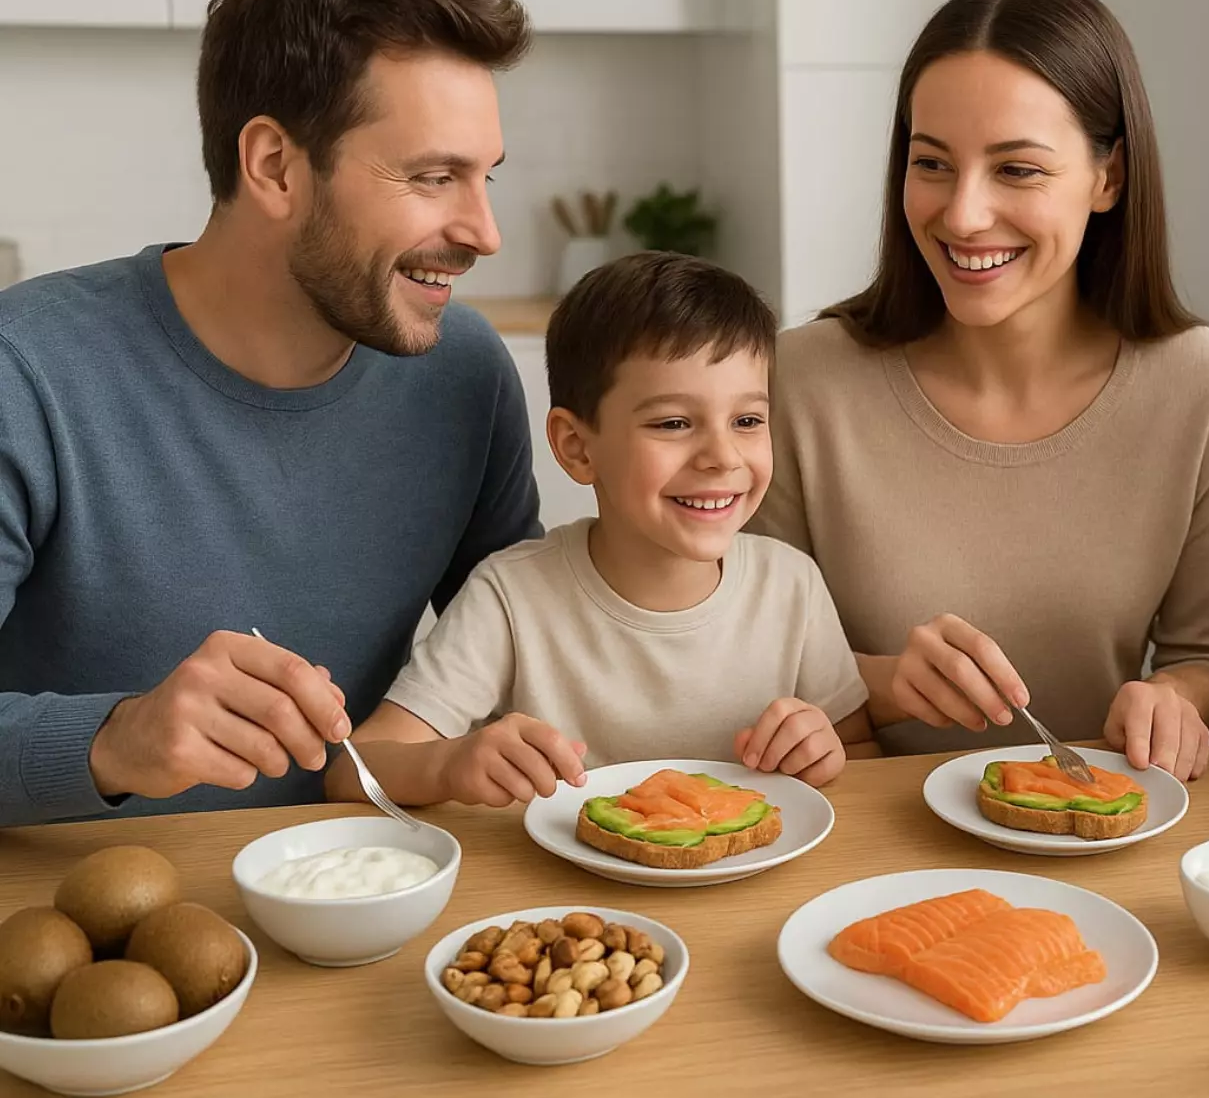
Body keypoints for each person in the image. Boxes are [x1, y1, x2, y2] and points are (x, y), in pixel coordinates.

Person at [0, 0, 541, 826]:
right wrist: (117, 737)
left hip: (371, 901)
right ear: (275, 167)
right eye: (434, 176)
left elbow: (532, 635)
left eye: (485, 178)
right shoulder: (29, 373)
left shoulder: (464, 375)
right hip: (84, 931)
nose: (484, 231)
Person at [747, 0, 1209, 779]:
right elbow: (738, 653)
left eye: (1017, 169)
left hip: (1100, 830)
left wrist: (1173, 700)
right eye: (933, 163)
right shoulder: (801, 380)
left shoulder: (1202, 384)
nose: (962, 215)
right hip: (859, 838)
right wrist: (884, 683)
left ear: (1109, 178)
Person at [328, 252, 870, 808]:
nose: (721, 456)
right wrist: (446, 764)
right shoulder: (510, 596)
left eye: (747, 421)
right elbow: (354, 770)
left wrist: (823, 752)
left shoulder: (792, 586)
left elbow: (858, 753)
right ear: (576, 447)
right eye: (674, 423)